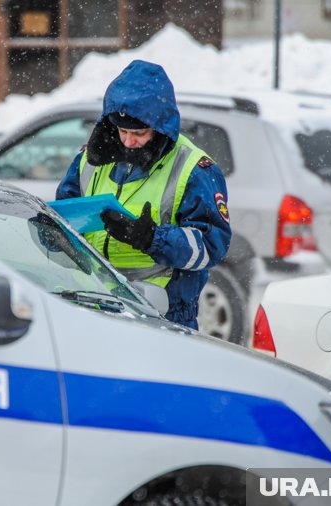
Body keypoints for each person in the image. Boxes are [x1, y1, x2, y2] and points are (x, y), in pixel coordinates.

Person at [56, 60, 231, 330]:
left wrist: (152, 238)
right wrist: (52, 234)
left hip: (162, 316)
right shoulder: (88, 160)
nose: (128, 141)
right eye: (122, 131)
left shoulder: (195, 169)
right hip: (92, 308)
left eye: (139, 133)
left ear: (161, 128)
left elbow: (211, 245)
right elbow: (63, 217)